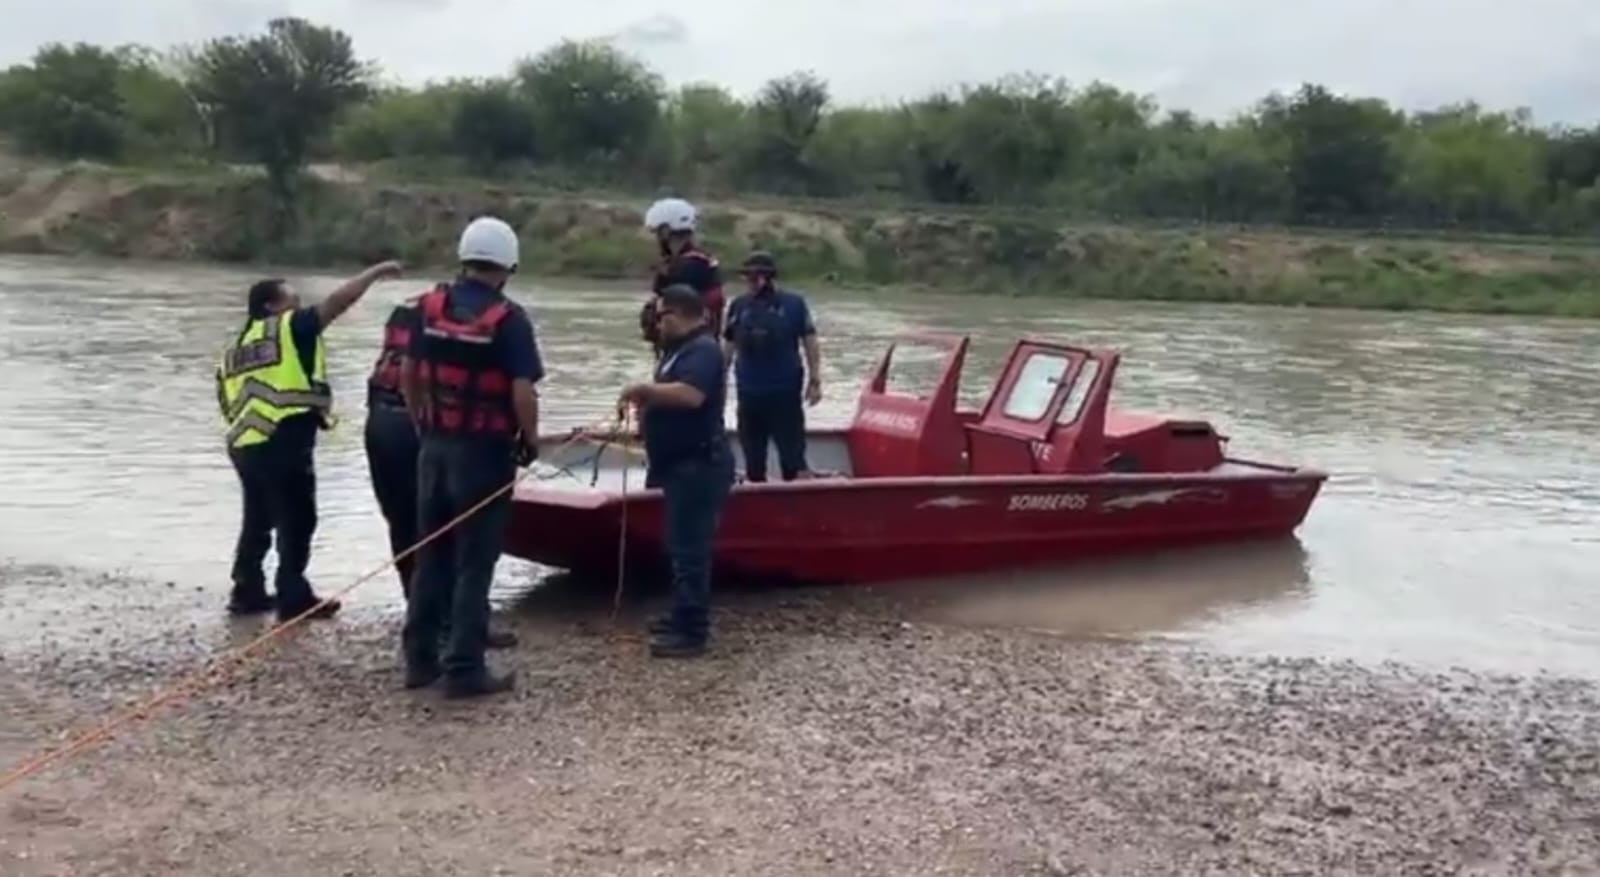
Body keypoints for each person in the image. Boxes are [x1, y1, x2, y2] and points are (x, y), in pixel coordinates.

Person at [400, 216, 543, 698]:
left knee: (431, 554)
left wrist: (424, 421)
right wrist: (531, 439)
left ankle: (420, 661)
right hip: (483, 453)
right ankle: (464, 667)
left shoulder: (428, 307)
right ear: (507, 266)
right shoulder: (510, 320)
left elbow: (409, 372)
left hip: (435, 447)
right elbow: (523, 391)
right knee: (474, 561)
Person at [217, 261, 403, 621]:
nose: (299, 300)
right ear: (271, 305)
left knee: (257, 517)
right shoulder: (291, 326)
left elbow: (227, 401)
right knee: (297, 517)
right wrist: (374, 273)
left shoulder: (235, 349)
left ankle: (247, 590)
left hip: (244, 443)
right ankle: (293, 596)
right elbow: (338, 302)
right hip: (283, 437)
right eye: (291, 295)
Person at [363, 296, 518, 649]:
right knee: (454, 530)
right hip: (426, 427)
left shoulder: (406, 314)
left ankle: (421, 621)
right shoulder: (470, 321)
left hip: (381, 422)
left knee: (405, 525)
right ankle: (461, 624)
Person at [619, 284, 735, 658]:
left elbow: (691, 395)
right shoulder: (677, 350)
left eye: (661, 315)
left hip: (699, 464)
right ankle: (681, 613)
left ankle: (692, 631)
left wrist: (643, 390)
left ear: (678, 313)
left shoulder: (703, 349)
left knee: (690, 550)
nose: (657, 323)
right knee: (678, 544)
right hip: (677, 463)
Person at [722, 250, 823, 483]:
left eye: (754, 277)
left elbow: (810, 342)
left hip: (784, 393)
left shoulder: (794, 304)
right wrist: (718, 379)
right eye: (746, 277)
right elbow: (728, 345)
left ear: (768, 278)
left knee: (792, 457)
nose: (749, 282)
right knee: (753, 459)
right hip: (749, 394)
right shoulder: (739, 306)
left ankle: (797, 500)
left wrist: (815, 381)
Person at [638, 197, 724, 355]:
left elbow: (677, 312)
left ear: (665, 231)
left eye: (657, 232)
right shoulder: (698, 261)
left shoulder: (689, 266)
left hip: (688, 350)